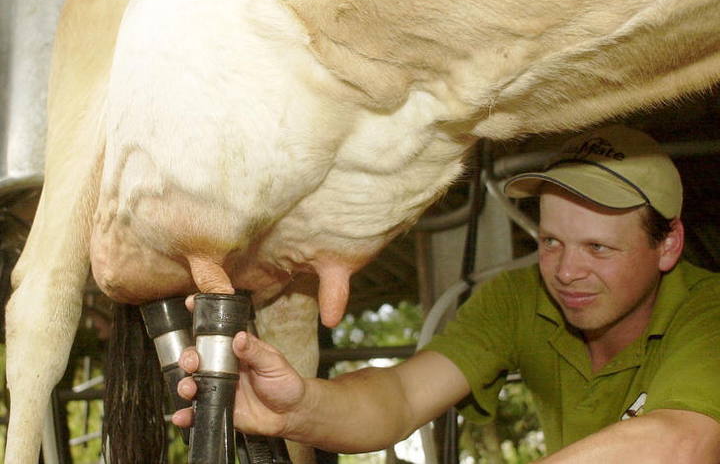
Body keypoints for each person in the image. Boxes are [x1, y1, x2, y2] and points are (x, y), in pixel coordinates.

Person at [172, 125, 720, 462]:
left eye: (599, 249)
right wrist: (297, 407)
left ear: (668, 244)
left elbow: (682, 445)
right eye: (551, 241)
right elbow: (402, 397)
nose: (566, 272)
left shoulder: (709, 311)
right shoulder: (519, 299)